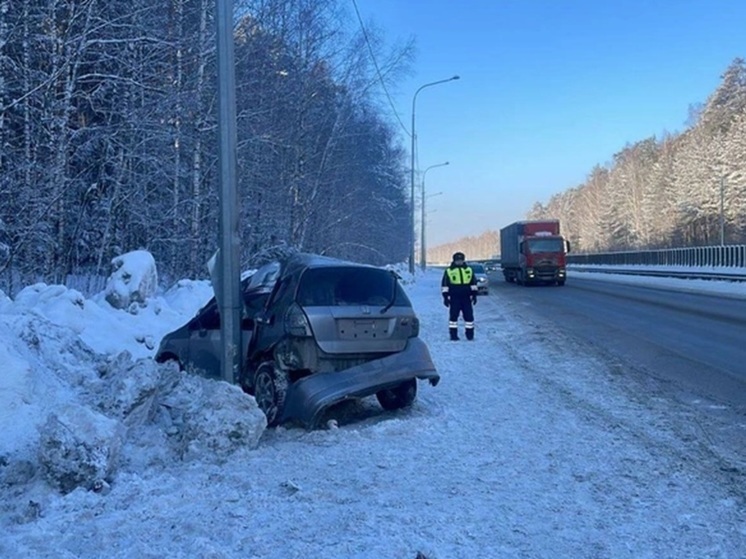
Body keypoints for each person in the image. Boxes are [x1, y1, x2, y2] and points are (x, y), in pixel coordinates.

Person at [441, 251, 478, 340]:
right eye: (457, 260)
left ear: (463, 260)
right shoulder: (449, 271)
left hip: (466, 298)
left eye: (461, 260)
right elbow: (445, 285)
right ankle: (453, 335)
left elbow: (473, 283)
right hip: (455, 298)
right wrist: (445, 297)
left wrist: (474, 295)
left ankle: (470, 335)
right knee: (453, 318)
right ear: (454, 261)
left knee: (469, 317)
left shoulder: (468, 270)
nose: (459, 262)